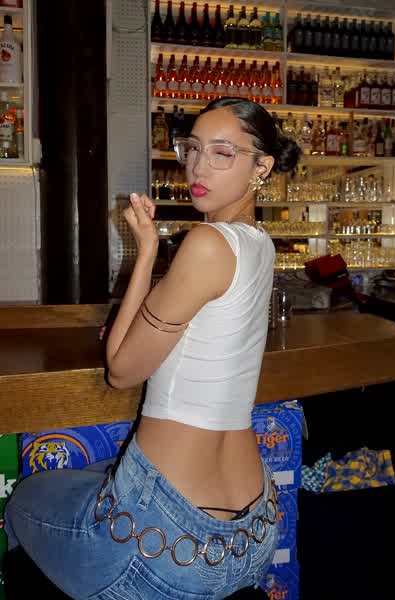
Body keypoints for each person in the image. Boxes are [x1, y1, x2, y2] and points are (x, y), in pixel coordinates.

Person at [4, 97, 300, 599]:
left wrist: (143, 251)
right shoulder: (260, 242)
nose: (198, 167)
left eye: (222, 153)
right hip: (253, 533)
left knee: (25, 500)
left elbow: (121, 370)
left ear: (262, 166)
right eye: (193, 149)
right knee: (91, 478)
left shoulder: (206, 243)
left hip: (168, 544)